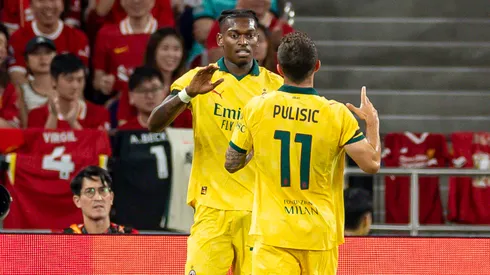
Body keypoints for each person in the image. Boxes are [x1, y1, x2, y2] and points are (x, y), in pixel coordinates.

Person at [225, 32, 381, 274]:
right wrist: (372, 123)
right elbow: (372, 164)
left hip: (272, 233)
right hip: (319, 234)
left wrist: (259, 150)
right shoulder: (336, 114)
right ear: (317, 66)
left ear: (279, 69)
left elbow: (231, 163)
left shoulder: (257, 107)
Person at [148, 9, 284, 275]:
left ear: (257, 39)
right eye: (235, 35)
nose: (243, 41)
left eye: (250, 35)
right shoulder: (198, 78)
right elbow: (154, 123)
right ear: (221, 40)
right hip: (211, 209)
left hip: (259, 212)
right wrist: (187, 94)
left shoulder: (277, 86)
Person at [27, 53, 110, 130]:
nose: (75, 86)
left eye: (80, 80)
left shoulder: (99, 113)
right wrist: (53, 116)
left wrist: (73, 123)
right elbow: (39, 145)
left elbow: (98, 145)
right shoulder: (36, 115)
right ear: (53, 80)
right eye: (69, 80)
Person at [64, 166, 138, 234]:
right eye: (89, 191)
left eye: (103, 190)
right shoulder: (65, 240)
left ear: (111, 198)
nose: (98, 198)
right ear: (77, 201)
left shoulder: (129, 237)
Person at [118, 66, 167, 130]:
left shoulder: (177, 126)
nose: (150, 96)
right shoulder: (125, 132)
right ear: (131, 96)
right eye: (142, 90)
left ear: (164, 92)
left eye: (154, 89)